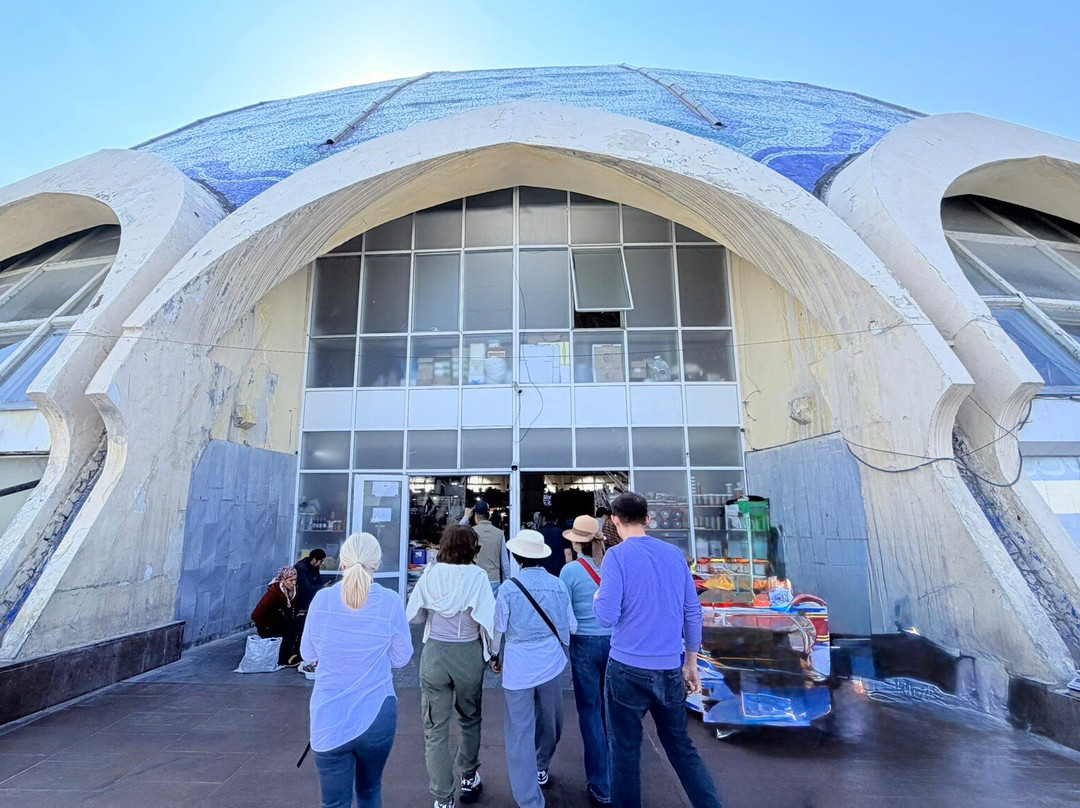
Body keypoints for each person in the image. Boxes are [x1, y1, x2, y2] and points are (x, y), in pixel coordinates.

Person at [593, 492, 724, 808]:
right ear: (648, 519)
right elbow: (692, 611)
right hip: (669, 666)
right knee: (681, 747)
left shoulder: (616, 557)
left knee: (624, 751)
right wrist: (691, 662)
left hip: (626, 668)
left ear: (614, 521)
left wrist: (598, 596)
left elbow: (606, 616)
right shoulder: (674, 554)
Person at [300, 532, 413, 808]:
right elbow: (402, 658)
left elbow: (307, 654)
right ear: (378, 564)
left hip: (329, 716)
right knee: (370, 792)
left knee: (334, 803)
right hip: (377, 713)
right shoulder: (390, 602)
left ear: (342, 563)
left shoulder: (322, 600)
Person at [406, 525, 498, 808]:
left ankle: (443, 796)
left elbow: (414, 616)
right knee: (470, 718)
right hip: (467, 651)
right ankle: (468, 776)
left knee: (435, 728)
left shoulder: (431, 574)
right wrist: (494, 654)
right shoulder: (477, 576)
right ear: (473, 548)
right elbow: (488, 620)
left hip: (435, 652)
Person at [493, 529, 577, 808]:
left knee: (519, 732)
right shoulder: (558, 584)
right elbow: (572, 626)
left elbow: (498, 629)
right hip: (551, 663)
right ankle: (542, 764)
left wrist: (493, 654)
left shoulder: (508, 588)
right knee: (551, 722)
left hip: (518, 667)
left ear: (517, 558)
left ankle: (528, 798)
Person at [559, 515, 612, 807]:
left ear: (577, 543)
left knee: (590, 710)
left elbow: (564, 610)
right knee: (611, 711)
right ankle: (618, 777)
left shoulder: (569, 571)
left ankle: (601, 784)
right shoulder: (613, 566)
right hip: (615, 642)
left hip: (583, 643)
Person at [251, 566, 303, 665]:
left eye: (295, 580)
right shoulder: (273, 594)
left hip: (282, 622)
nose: (294, 583)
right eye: (291, 580)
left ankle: (290, 656)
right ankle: (283, 660)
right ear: (283, 580)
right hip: (269, 626)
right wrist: (268, 625)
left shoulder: (293, 591)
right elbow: (256, 615)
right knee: (287, 634)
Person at [470, 501, 511, 596]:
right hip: (494, 579)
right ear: (489, 515)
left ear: (476, 515)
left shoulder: (471, 532)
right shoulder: (499, 533)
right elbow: (505, 562)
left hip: (476, 578)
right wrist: (506, 581)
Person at [537, 512, 569, 576]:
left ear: (544, 519)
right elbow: (568, 553)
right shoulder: (562, 533)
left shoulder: (539, 533)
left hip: (543, 569)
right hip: (559, 569)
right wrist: (568, 569)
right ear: (556, 520)